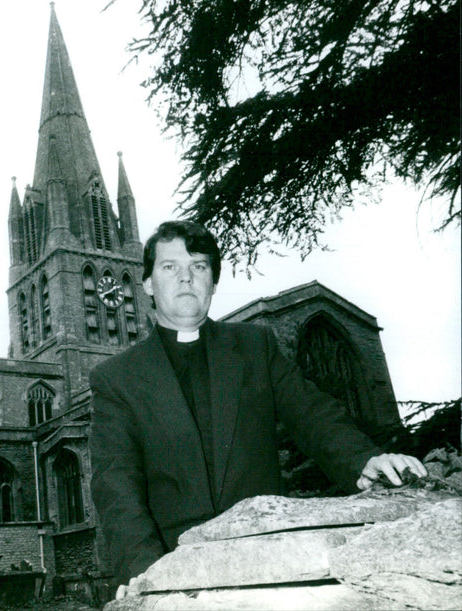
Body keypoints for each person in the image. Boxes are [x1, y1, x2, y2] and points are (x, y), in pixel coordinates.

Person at [89, 220, 426, 594]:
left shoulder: (254, 346)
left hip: (267, 559)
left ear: (213, 283)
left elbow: (312, 413)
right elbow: (115, 486)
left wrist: (364, 461)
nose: (186, 278)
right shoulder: (115, 378)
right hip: (173, 569)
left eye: (199, 266)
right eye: (170, 267)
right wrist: (146, 572)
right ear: (149, 284)